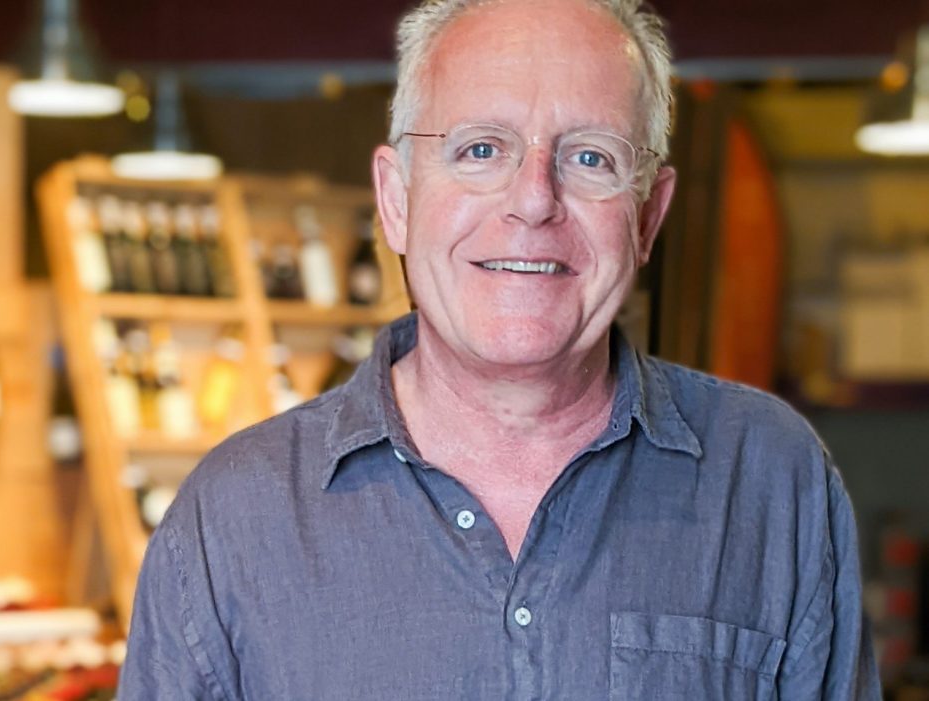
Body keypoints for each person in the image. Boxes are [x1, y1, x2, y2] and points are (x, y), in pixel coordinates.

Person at [118, 0, 880, 697]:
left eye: (591, 158)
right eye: (481, 149)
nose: (534, 199)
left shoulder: (774, 481)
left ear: (647, 215)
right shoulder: (232, 521)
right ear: (396, 200)